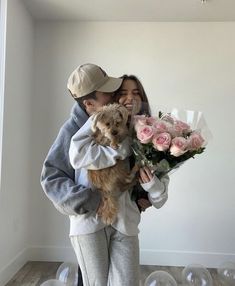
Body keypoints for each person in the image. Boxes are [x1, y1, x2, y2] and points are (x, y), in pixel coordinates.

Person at [69, 74, 170, 286]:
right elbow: (76, 155)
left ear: (142, 98)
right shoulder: (98, 122)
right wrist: (121, 151)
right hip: (91, 219)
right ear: (114, 98)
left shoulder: (154, 137)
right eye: (123, 93)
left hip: (126, 223)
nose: (130, 98)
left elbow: (159, 200)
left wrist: (151, 184)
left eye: (136, 93)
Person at [41, 63, 124, 286]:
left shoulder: (115, 119)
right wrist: (91, 200)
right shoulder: (71, 131)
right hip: (89, 223)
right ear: (88, 103)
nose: (113, 94)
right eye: (106, 92)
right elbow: (51, 178)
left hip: (120, 223)